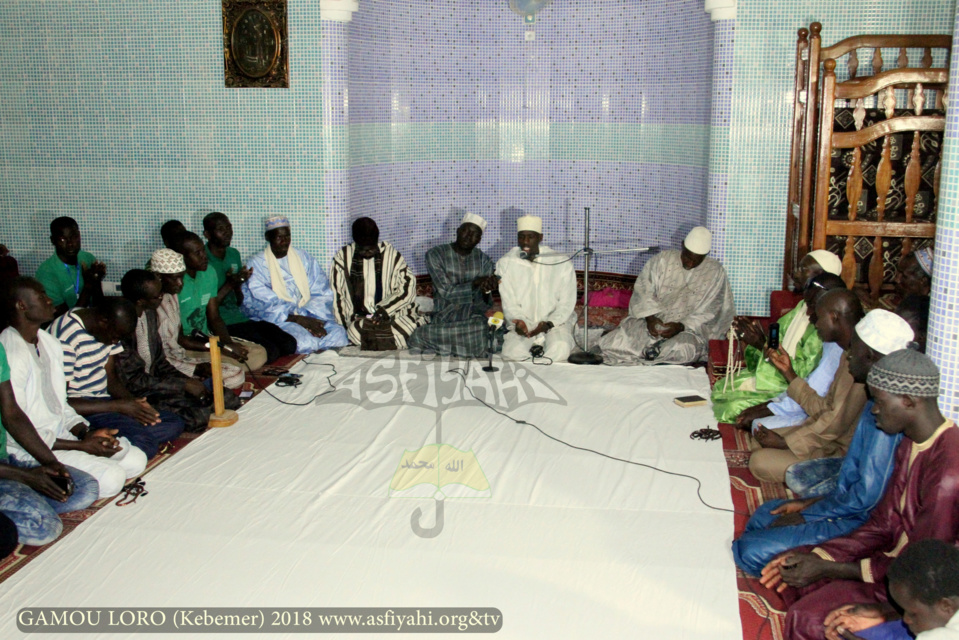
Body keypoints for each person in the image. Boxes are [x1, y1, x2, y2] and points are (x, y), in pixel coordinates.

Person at [758, 350, 959, 640]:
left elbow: (929, 577)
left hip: (919, 594)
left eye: (879, 402)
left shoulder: (948, 472)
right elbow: (883, 523)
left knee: (810, 620)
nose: (874, 410)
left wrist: (886, 611)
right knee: (796, 572)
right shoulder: (911, 442)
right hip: (891, 566)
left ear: (909, 401)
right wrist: (821, 556)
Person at [1, 278, 147, 498]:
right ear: (22, 306)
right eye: (41, 296)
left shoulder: (48, 342)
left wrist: (87, 433)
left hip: (62, 437)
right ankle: (38, 483)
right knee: (112, 478)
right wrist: (80, 447)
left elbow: (61, 405)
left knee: (136, 459)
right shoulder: (10, 352)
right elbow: (16, 424)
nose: (49, 300)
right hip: (34, 449)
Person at [745, 290, 877, 484]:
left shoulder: (859, 362)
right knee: (759, 439)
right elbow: (825, 408)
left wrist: (786, 443)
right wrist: (789, 373)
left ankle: (829, 480)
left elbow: (834, 425)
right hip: (826, 438)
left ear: (834, 317)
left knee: (759, 461)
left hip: (840, 451)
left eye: (819, 317)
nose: (815, 324)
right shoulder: (847, 353)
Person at [47, 296, 184, 459]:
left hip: (105, 404)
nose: (115, 342)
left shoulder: (106, 328)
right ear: (103, 321)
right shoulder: (65, 337)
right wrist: (118, 407)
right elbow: (60, 404)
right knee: (145, 445)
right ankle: (101, 441)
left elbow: (111, 378)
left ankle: (112, 440)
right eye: (115, 337)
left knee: (173, 422)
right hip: (82, 410)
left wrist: (134, 405)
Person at [712, 250, 842, 422]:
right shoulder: (803, 306)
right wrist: (752, 338)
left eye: (803, 269)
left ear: (821, 277)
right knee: (722, 389)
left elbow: (803, 374)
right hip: (774, 374)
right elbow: (776, 341)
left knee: (729, 407)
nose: (795, 273)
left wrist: (761, 344)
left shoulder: (823, 324)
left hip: (788, 387)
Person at [0, 335, 99, 546]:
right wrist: (27, 477)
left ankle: (25, 501)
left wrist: (50, 462)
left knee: (83, 488)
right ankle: (27, 505)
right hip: (8, 470)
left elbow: (13, 414)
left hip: (4, 462)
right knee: (41, 527)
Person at [596, 226, 734, 365]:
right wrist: (651, 318)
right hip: (652, 323)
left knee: (684, 349)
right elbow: (643, 291)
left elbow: (711, 312)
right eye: (687, 256)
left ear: (706, 255)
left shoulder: (715, 272)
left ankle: (653, 356)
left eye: (696, 260)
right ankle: (654, 356)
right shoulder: (662, 260)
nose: (689, 263)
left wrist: (681, 326)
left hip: (687, 331)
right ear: (682, 245)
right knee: (621, 340)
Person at [118, 270, 235, 433]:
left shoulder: (150, 314)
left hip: (158, 384)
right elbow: (134, 382)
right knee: (197, 416)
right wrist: (183, 385)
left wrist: (187, 381)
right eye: (157, 296)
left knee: (226, 397)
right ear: (140, 301)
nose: (161, 298)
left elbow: (160, 362)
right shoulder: (122, 326)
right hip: (140, 394)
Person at [731, 273, 848, 433]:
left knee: (758, 425)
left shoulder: (835, 344)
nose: (808, 314)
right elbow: (806, 383)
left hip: (819, 415)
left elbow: (814, 399)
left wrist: (769, 409)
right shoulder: (831, 334)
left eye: (813, 308)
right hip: (801, 398)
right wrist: (769, 404)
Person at [174, 232, 297, 369]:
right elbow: (178, 339)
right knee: (258, 357)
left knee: (264, 351)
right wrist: (221, 348)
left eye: (203, 250)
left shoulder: (208, 272)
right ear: (181, 257)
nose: (204, 256)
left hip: (209, 337)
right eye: (198, 253)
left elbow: (214, 317)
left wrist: (228, 344)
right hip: (189, 345)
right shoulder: (175, 284)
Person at [241, 216, 349, 353]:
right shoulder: (256, 265)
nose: (284, 242)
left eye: (287, 236)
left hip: (311, 314)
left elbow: (321, 292)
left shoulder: (303, 257)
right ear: (268, 237)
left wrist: (309, 318)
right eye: (279, 237)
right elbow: (261, 304)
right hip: (281, 320)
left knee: (339, 335)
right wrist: (297, 319)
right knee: (304, 342)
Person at [150, 249, 245, 390]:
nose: (180, 283)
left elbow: (178, 338)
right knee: (232, 376)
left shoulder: (172, 296)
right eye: (175, 278)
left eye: (181, 277)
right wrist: (196, 368)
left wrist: (218, 350)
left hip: (179, 358)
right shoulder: (149, 305)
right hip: (164, 365)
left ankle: (200, 384)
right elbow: (155, 359)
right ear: (158, 276)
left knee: (236, 373)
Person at [408, 213, 501, 357]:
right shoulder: (435, 254)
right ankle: (476, 345)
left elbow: (484, 305)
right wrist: (475, 283)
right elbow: (446, 292)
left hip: (472, 317)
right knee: (420, 334)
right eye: (465, 231)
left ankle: (450, 344)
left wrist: (486, 291)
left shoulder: (484, 261)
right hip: (445, 317)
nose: (468, 236)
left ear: (479, 240)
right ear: (458, 231)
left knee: (486, 326)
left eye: (474, 234)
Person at [330, 217, 424, 350]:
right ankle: (397, 340)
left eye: (372, 248)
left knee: (409, 326)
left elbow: (408, 289)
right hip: (362, 319)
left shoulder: (391, 255)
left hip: (393, 315)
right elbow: (337, 296)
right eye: (363, 249)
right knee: (353, 332)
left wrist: (384, 311)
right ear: (355, 242)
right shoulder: (342, 258)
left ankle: (376, 341)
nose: (368, 252)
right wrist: (343, 328)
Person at [495, 215, 577, 362]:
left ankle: (540, 351)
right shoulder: (506, 263)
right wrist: (519, 322)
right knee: (512, 352)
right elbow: (509, 303)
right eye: (521, 237)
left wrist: (549, 323)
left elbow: (567, 302)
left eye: (530, 237)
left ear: (540, 237)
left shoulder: (560, 261)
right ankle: (536, 354)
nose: (525, 242)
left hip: (555, 324)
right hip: (525, 324)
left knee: (560, 349)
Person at [34, 217, 106, 317]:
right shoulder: (46, 273)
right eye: (63, 239)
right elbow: (67, 321)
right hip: (63, 328)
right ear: (53, 240)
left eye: (74, 237)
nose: (70, 244)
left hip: (92, 320)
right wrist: (88, 286)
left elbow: (99, 305)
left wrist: (97, 281)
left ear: (79, 236)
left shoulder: (88, 258)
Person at [202, 212, 250, 332]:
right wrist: (229, 285)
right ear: (207, 234)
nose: (227, 233)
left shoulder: (233, 254)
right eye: (220, 229)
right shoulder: (201, 259)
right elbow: (205, 308)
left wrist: (239, 283)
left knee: (287, 342)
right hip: (217, 323)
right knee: (270, 348)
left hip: (238, 317)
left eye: (229, 227)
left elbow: (239, 301)